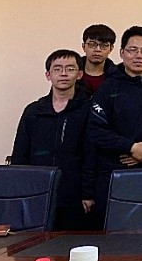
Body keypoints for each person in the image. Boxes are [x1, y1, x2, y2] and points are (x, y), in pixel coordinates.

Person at [86, 26, 142, 223]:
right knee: (113, 235)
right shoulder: (107, 87)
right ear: (121, 53)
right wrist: (131, 147)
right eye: (132, 50)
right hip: (113, 175)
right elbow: (95, 131)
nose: (139, 56)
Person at [10, 49, 94, 230]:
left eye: (70, 69)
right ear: (48, 75)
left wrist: (88, 193)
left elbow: (91, 154)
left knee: (70, 244)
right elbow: (20, 154)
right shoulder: (33, 111)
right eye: (57, 69)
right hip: (36, 193)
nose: (63, 74)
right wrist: (19, 192)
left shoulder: (88, 110)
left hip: (74, 196)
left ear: (79, 74)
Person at [77, 24, 117, 96]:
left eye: (104, 46)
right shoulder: (72, 73)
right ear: (83, 46)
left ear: (111, 49)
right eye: (92, 45)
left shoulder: (117, 76)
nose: (97, 50)